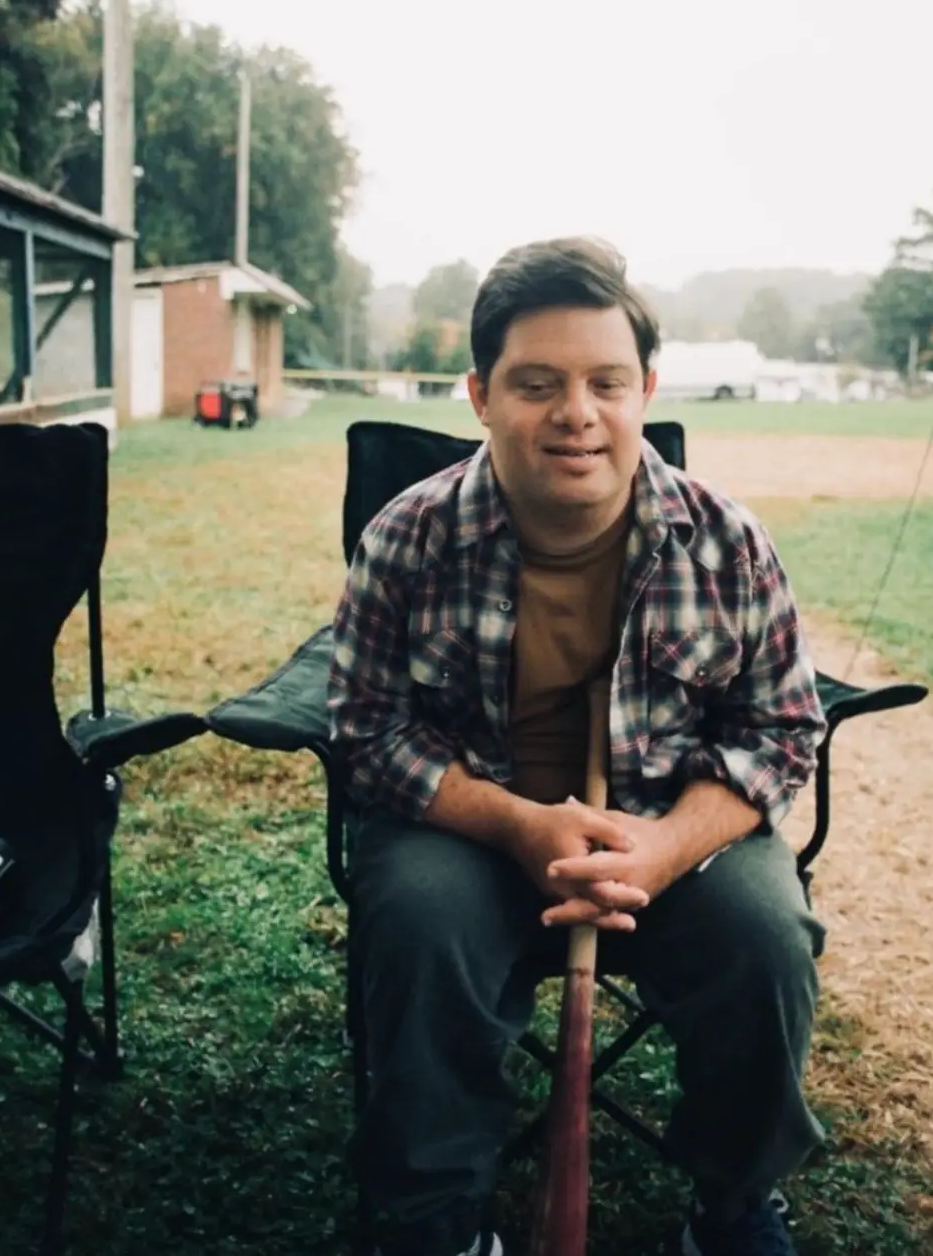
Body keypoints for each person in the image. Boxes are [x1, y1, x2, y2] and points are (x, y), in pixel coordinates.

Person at [327, 237, 829, 1256]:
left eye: (605, 381)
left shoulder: (727, 543)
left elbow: (781, 731)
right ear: (478, 392)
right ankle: (436, 1220)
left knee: (764, 930)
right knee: (419, 919)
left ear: (644, 387)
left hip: (667, 843)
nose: (576, 413)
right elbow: (366, 729)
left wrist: (663, 848)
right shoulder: (405, 538)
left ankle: (735, 1203)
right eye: (536, 383)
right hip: (472, 832)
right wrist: (514, 823)